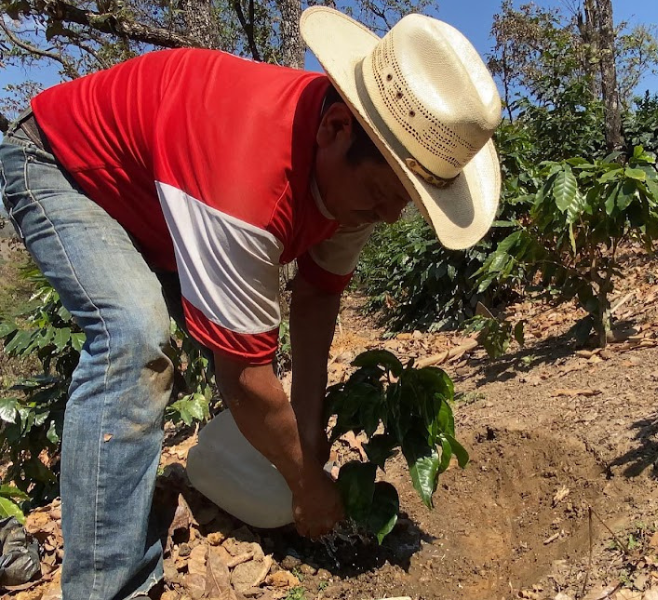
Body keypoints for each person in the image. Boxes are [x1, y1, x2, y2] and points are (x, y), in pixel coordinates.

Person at [0, 6, 502, 600]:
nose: (389, 216)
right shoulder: (245, 181)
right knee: (134, 338)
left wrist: (310, 442)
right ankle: (111, 588)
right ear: (336, 128)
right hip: (64, 163)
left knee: (218, 352)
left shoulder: (359, 178)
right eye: (382, 196)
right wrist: (306, 484)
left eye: (403, 202)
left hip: (161, 194)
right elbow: (244, 377)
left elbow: (316, 298)